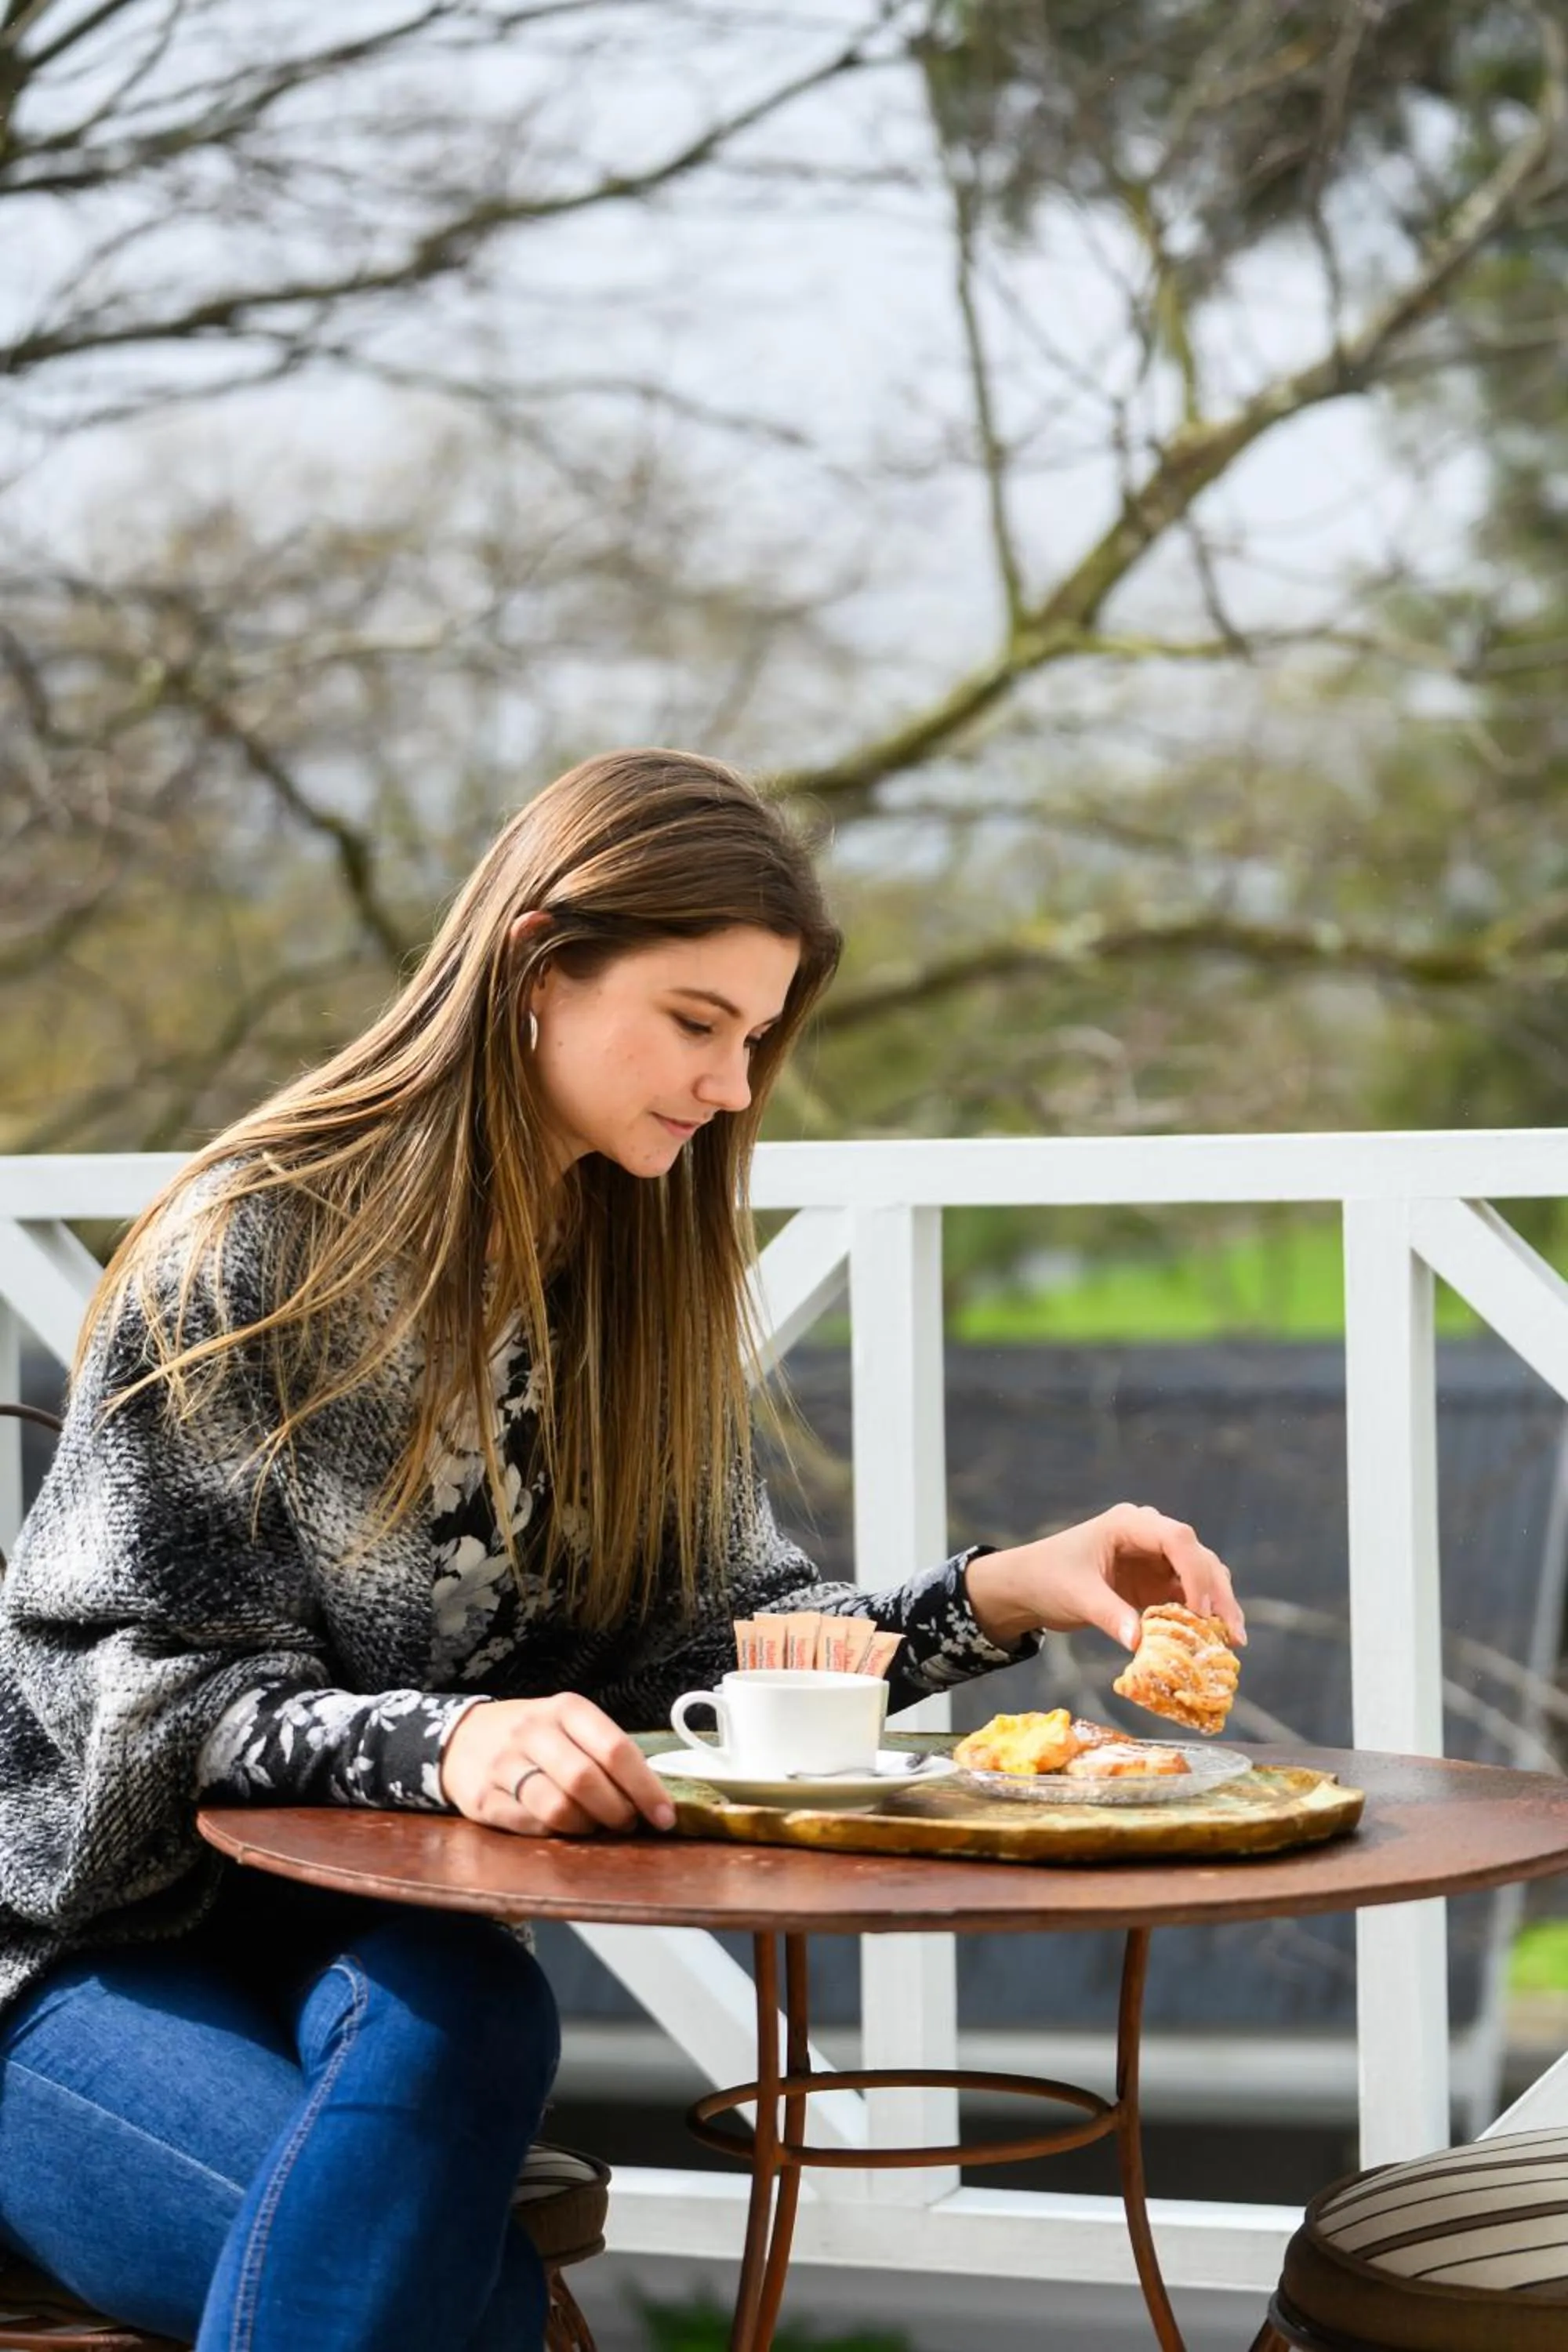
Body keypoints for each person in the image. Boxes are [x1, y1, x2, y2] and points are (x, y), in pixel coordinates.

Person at [0, 749, 1244, 2350]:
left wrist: (1000, 1593)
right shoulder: (259, 1243)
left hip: (341, 1937)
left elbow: (705, 1653)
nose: (733, 1087)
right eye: (696, 1022)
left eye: (755, 1038)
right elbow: (152, 1700)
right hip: (67, 1940)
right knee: (475, 2310)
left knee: (472, 2021)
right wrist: (461, 1745)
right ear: (534, 969)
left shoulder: (624, 1282)